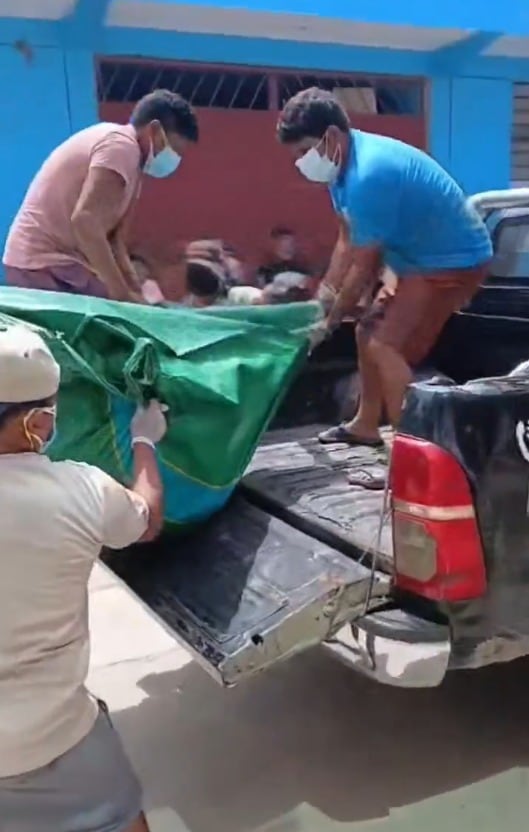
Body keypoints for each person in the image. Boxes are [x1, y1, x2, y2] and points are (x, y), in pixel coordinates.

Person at [0, 324, 167, 831]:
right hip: (54, 739)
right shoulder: (82, 490)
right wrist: (144, 442)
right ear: (37, 423)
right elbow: (145, 520)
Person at [277, 87, 492, 458]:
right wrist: (324, 299)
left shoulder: (369, 173)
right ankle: (365, 425)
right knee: (366, 332)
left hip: (452, 262)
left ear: (331, 136)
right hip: (414, 261)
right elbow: (347, 238)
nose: (300, 162)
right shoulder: (341, 169)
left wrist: (329, 322)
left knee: (385, 345)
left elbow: (365, 265)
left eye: (304, 151)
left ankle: (410, 453)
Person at [3, 89, 198, 302]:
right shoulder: (120, 147)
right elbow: (85, 221)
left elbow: (115, 240)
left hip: (57, 264)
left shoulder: (133, 166)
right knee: (114, 313)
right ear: (154, 130)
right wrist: (121, 294)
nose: (174, 158)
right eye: (173, 149)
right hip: (43, 264)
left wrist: (134, 289)